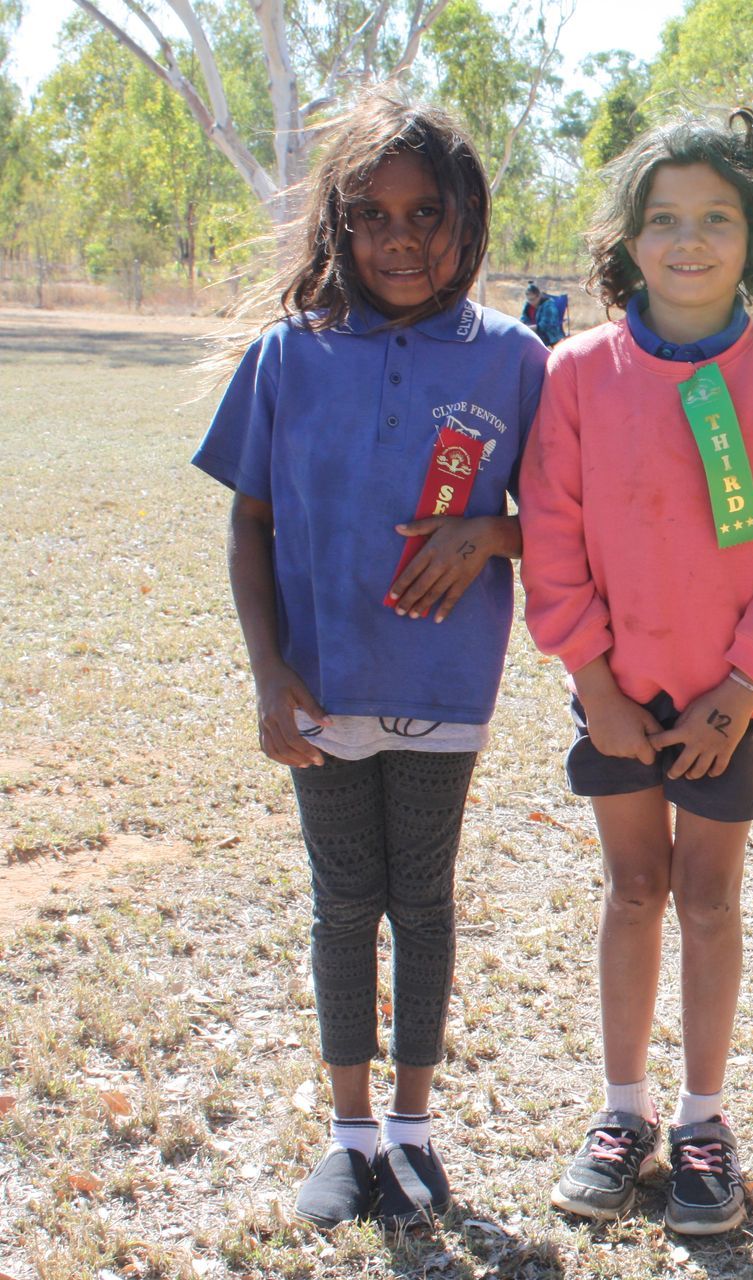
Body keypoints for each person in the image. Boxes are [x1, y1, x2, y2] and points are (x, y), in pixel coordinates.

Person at [192, 92, 547, 1230]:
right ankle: (349, 1137)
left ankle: (414, 1128)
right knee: (345, 900)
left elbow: (567, 523)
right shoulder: (289, 357)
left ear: (468, 219)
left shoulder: (515, 361)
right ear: (338, 227)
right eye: (373, 215)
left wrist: (489, 533)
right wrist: (267, 672)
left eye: (427, 213)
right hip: (324, 682)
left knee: (424, 898)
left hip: (444, 689)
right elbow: (249, 523)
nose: (402, 238)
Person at [518, 108, 753, 1236]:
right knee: (633, 891)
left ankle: (704, 1119)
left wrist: (745, 686)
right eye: (664, 220)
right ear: (630, 242)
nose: (690, 241)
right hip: (614, 695)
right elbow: (551, 533)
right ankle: (623, 1115)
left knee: (707, 898)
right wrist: (595, 682)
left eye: (716, 218)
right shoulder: (574, 374)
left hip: (731, 704)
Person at [523, 281, 566, 347]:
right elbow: (524, 318)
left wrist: (529, 328)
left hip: (549, 336)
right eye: (528, 299)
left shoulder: (548, 305)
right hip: (533, 333)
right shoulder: (527, 305)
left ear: (538, 296)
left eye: (532, 299)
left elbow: (546, 325)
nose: (530, 302)